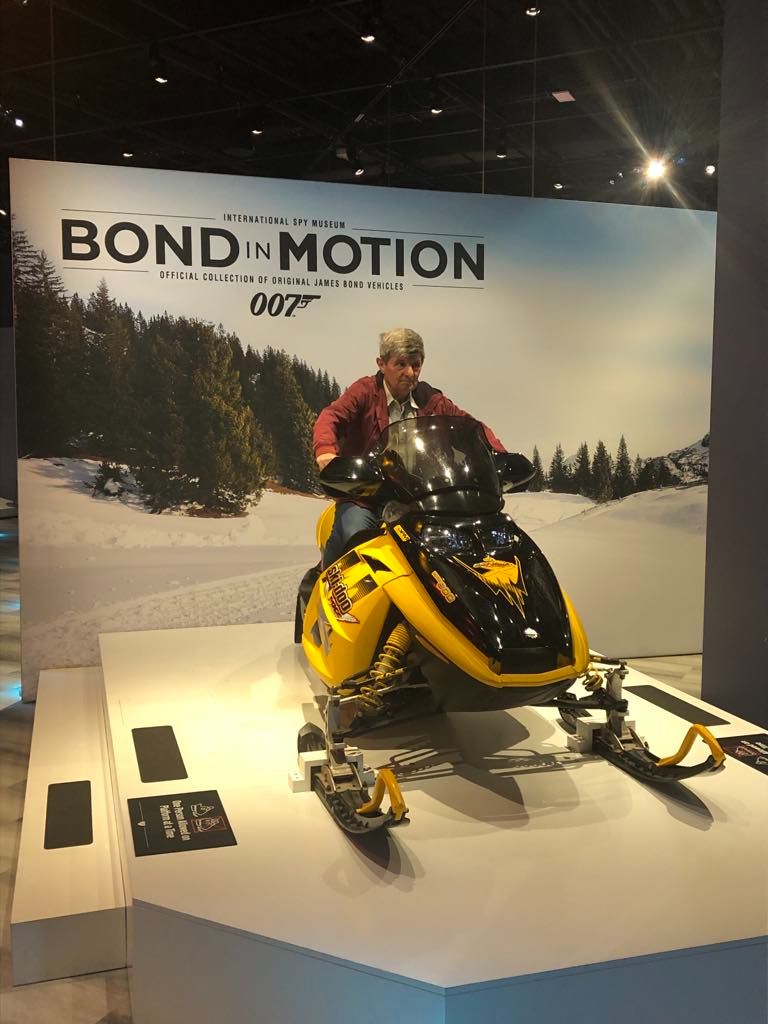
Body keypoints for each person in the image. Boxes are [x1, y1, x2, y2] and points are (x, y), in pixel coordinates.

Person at [313, 327, 506, 567]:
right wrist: (326, 451)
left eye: (416, 365)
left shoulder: (429, 398)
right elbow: (331, 417)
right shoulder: (365, 391)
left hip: (418, 499)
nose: (410, 372)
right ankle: (324, 581)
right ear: (382, 364)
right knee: (353, 536)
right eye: (401, 364)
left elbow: (470, 427)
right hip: (366, 496)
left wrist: (498, 454)